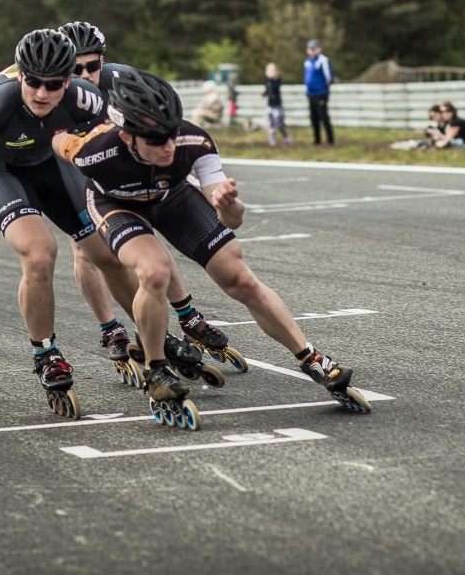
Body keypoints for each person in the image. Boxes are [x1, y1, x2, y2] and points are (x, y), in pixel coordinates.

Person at [52, 70, 371, 426]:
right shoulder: (94, 151)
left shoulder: (193, 141)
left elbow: (233, 220)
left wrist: (228, 204)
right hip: (116, 205)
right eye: (156, 139)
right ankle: (157, 370)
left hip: (172, 198)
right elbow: (57, 139)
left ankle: (312, 358)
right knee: (154, 272)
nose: (168, 146)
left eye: (171, 133)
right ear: (127, 137)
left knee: (241, 279)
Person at [0, 29, 135, 419]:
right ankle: (46, 353)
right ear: (21, 76)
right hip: (2, 170)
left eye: (53, 84)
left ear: (68, 80)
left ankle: (155, 335)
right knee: (41, 256)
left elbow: (110, 138)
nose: (42, 93)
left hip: (51, 166)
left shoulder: (84, 97)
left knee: (107, 254)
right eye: (33, 82)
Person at [56, 21, 244, 376]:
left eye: (92, 65)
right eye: (75, 68)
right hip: (73, 163)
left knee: (147, 236)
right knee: (85, 247)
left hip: (122, 162)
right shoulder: (53, 91)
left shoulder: (123, 79)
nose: (85, 74)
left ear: (102, 61)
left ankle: (188, 315)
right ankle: (110, 329)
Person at [304, 39, 335, 144]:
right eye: (310, 49)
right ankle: (317, 139)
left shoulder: (323, 60)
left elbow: (329, 77)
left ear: (319, 49)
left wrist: (324, 88)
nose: (312, 51)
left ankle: (330, 139)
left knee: (323, 116)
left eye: (314, 48)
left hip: (321, 93)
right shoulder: (307, 61)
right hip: (311, 93)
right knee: (314, 117)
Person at [262, 63, 292, 146]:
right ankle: (272, 140)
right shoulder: (266, 81)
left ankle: (286, 138)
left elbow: (274, 88)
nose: (271, 72)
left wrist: (270, 92)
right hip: (270, 105)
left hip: (277, 105)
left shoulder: (277, 80)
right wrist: (264, 94)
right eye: (269, 70)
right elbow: (267, 90)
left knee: (279, 123)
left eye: (272, 70)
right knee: (270, 123)